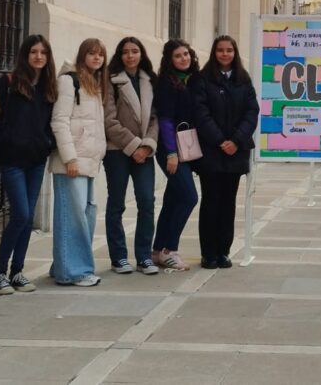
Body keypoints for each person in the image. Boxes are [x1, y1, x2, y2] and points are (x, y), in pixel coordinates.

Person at [0, 35, 57, 295]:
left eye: (43, 52)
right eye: (33, 52)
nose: (38, 56)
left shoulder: (49, 87)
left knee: (28, 218)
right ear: (25, 55)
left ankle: (17, 271)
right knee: (20, 214)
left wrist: (46, 143)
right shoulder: (8, 82)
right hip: (12, 161)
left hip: (36, 161)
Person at [191, 35, 260, 269]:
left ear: (235, 53)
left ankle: (223, 252)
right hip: (211, 152)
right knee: (211, 201)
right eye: (220, 50)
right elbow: (201, 114)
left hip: (236, 153)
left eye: (229, 50)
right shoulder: (203, 79)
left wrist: (236, 141)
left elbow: (252, 113)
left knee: (228, 203)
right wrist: (221, 140)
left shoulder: (243, 80)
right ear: (214, 52)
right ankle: (208, 253)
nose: (225, 54)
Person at [49, 38, 109, 287]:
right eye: (92, 54)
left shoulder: (94, 84)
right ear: (82, 55)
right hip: (72, 162)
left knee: (87, 213)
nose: (96, 58)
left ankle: (62, 265)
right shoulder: (69, 81)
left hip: (89, 161)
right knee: (72, 216)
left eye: (101, 55)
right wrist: (70, 158)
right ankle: (73, 272)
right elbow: (59, 121)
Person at [103, 37, 161, 275]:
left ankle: (144, 256)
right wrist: (133, 145)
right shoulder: (110, 80)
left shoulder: (150, 80)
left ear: (141, 54)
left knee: (147, 202)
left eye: (135, 51)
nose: (130, 56)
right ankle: (118, 258)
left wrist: (146, 146)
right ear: (120, 55)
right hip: (118, 151)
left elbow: (156, 117)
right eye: (125, 52)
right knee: (116, 204)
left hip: (144, 152)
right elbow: (109, 120)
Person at [152, 39, 201, 271]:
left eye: (186, 54)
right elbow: (165, 119)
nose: (184, 58)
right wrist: (171, 153)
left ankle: (157, 249)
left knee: (172, 199)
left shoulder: (193, 80)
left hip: (187, 148)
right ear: (170, 60)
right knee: (189, 197)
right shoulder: (166, 83)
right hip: (170, 149)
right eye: (178, 56)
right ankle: (170, 250)